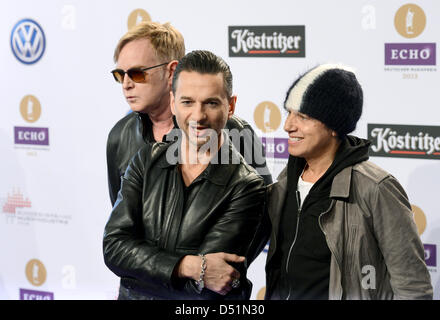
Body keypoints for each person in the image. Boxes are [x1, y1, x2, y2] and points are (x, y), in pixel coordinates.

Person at [249, 64, 433, 299]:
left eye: (302, 116)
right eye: (289, 113)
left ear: (334, 127)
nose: (288, 126)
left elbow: (413, 288)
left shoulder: (375, 188)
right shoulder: (285, 182)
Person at [103, 50, 265, 300]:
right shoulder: (146, 160)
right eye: (187, 102)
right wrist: (189, 267)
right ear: (173, 103)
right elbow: (113, 247)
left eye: (211, 103)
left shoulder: (247, 186)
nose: (198, 116)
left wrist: (137, 272)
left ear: (230, 106)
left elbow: (211, 286)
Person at [107, 21, 271, 206]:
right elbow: (119, 215)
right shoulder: (119, 136)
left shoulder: (233, 131)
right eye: (120, 75)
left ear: (171, 71)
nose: (126, 84)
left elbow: (261, 212)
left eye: (137, 73)